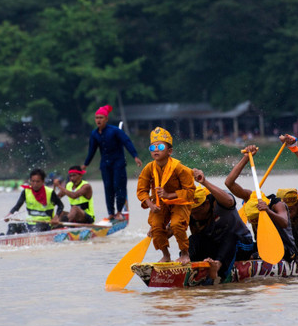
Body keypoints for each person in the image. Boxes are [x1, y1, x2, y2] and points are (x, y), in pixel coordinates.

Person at [225, 145, 298, 263]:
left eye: (256, 220)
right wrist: (246, 158)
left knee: (254, 256)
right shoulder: (251, 198)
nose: (253, 223)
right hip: (263, 248)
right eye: (252, 220)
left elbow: (284, 222)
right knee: (235, 249)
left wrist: (268, 211)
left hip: (286, 250)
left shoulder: (276, 205)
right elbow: (229, 183)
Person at [136, 127, 195, 263]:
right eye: (153, 147)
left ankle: (185, 254)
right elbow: (141, 190)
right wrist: (150, 205)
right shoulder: (149, 168)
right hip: (159, 204)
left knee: (176, 224)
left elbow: (190, 191)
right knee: (156, 226)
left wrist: (169, 195)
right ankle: (166, 255)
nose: (156, 150)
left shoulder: (179, 168)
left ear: (169, 151)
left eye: (160, 146)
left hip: (179, 202)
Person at [188, 168, 254, 284]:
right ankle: (189, 267)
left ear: (207, 204)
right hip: (215, 247)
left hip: (241, 243)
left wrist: (204, 182)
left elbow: (230, 201)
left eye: (197, 212)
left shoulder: (219, 199)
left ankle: (218, 266)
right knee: (193, 239)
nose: (194, 216)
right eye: (192, 213)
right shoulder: (189, 210)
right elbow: (171, 230)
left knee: (230, 236)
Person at [82, 105, 142, 222]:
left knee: (118, 186)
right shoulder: (94, 134)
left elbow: (126, 142)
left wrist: (135, 156)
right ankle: (110, 213)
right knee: (108, 188)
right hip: (105, 165)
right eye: (97, 118)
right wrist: (85, 164)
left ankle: (119, 211)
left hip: (118, 163)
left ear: (106, 119)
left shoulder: (115, 131)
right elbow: (92, 150)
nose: (98, 120)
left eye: (101, 117)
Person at [4, 169, 64, 233]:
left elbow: (61, 205)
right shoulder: (26, 191)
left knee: (35, 229)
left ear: (43, 181)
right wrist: (9, 214)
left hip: (44, 223)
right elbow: (17, 206)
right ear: (30, 181)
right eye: (33, 181)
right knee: (12, 226)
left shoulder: (50, 192)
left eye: (38, 181)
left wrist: (56, 217)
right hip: (29, 223)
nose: (35, 184)